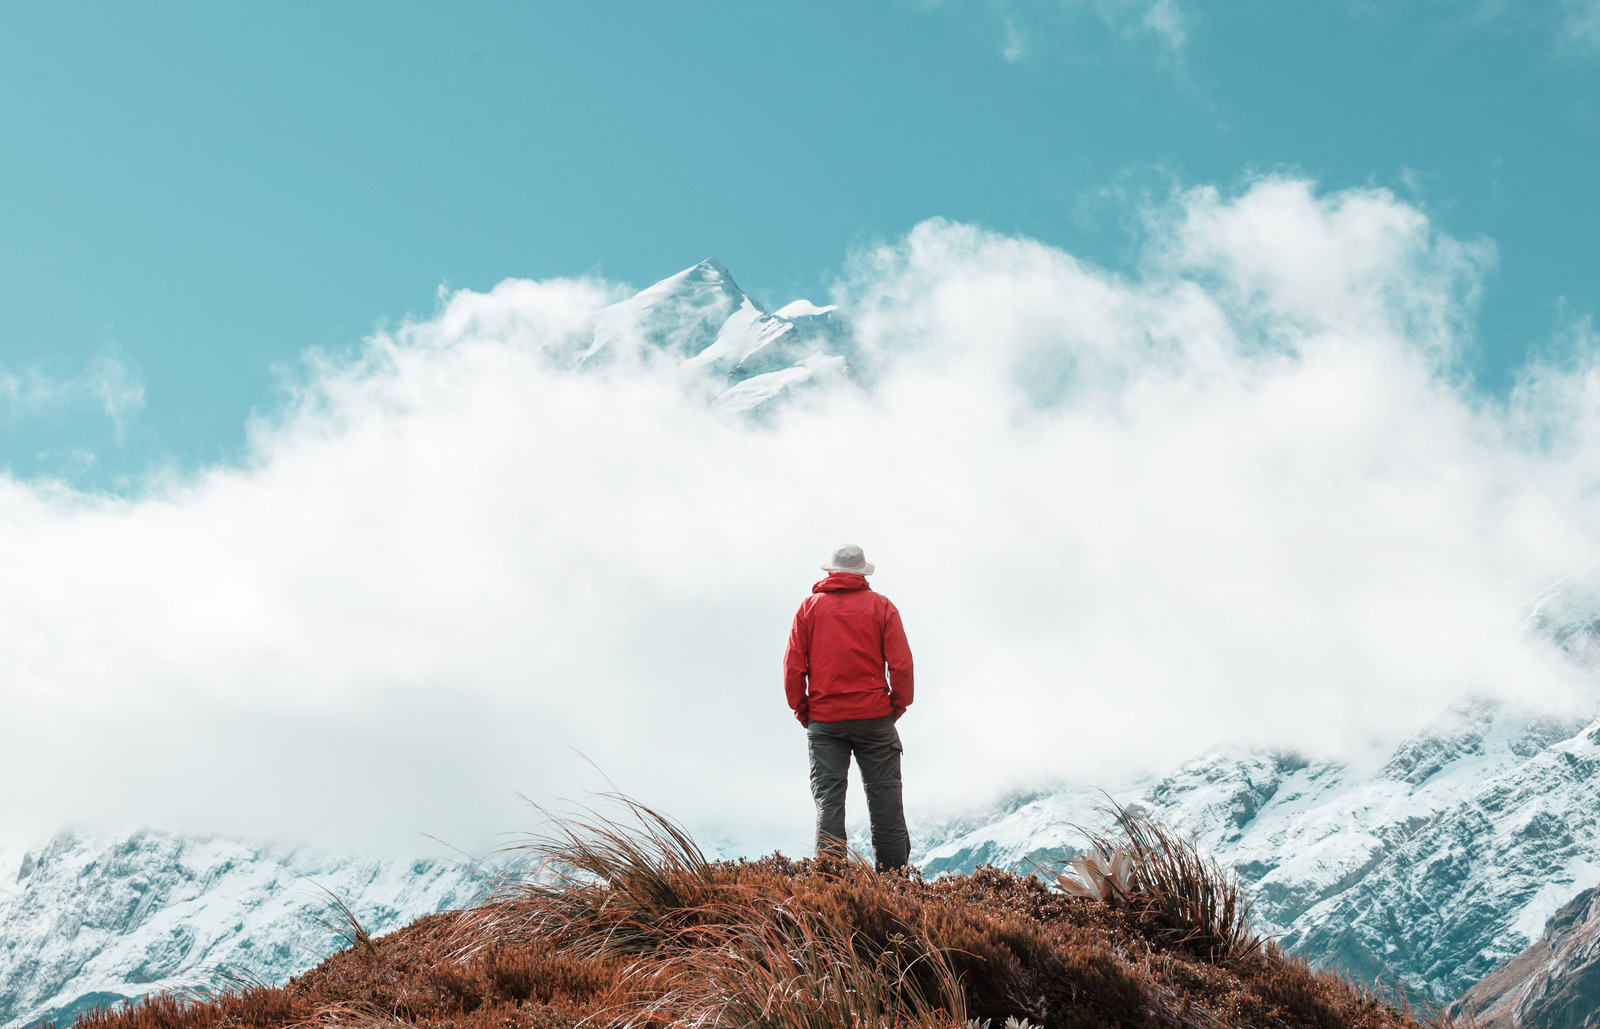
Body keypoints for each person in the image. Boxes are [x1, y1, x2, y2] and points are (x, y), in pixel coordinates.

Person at [783, 544, 914, 871]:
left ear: (829, 572)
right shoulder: (882, 607)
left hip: (825, 721)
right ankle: (894, 885)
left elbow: (793, 668)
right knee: (887, 806)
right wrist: (895, 707)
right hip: (874, 718)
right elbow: (901, 666)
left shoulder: (809, 609)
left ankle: (830, 887)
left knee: (829, 804)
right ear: (863, 573)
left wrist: (804, 711)